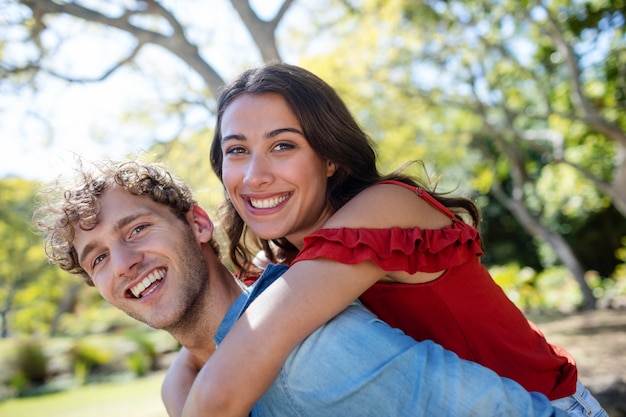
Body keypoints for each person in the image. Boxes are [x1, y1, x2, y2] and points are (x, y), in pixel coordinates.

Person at [169, 62, 607, 417]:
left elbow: (227, 377)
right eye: (237, 150)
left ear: (331, 158)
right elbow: (211, 350)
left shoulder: (386, 209)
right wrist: (179, 377)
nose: (254, 176)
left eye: (283, 146)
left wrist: (184, 384)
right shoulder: (287, 262)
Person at [32, 159, 568, 417]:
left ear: (198, 225)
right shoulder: (200, 374)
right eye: (98, 258)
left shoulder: (307, 355)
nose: (124, 262)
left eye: (137, 229)